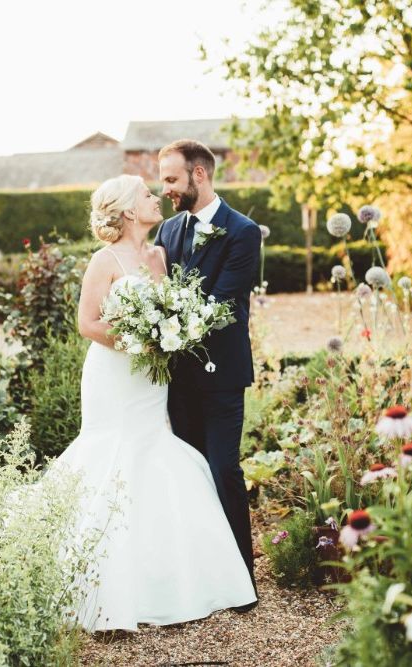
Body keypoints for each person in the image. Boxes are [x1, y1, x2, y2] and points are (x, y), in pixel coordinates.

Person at [51, 174, 256, 632]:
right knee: (113, 452)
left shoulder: (161, 254)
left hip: (152, 379)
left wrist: (167, 338)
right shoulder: (104, 260)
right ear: (127, 211)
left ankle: (167, 577)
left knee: (155, 452)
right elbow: (87, 324)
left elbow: (174, 311)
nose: (156, 197)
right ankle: (99, 579)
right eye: (146, 194)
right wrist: (139, 342)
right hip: (115, 374)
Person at [154, 140, 261, 609]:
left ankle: (242, 578)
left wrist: (165, 319)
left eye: (172, 180)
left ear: (199, 175)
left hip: (222, 373)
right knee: (189, 474)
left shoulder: (242, 231)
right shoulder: (168, 230)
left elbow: (221, 301)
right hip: (177, 378)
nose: (166, 190)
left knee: (222, 469)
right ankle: (200, 576)